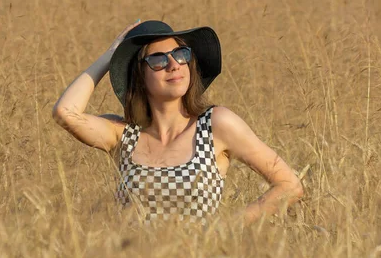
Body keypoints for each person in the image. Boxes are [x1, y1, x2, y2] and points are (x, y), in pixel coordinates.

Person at [53, 19, 303, 226]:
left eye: (181, 55)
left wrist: (226, 228)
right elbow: (65, 112)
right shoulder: (122, 135)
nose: (174, 65)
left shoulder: (216, 124)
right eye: (159, 60)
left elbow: (289, 185)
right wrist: (111, 57)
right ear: (138, 75)